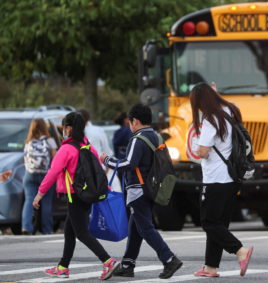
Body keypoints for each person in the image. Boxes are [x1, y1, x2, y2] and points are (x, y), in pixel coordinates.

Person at [32, 112, 119, 280]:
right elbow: (97, 169)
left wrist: (40, 194)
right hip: (86, 194)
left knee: (81, 232)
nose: (62, 130)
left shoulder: (66, 149)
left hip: (74, 195)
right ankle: (63, 267)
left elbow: (53, 172)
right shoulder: (87, 145)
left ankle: (108, 261)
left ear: (69, 128)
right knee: (70, 231)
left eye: (64, 127)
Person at [100, 104, 182, 279]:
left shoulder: (138, 138)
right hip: (152, 188)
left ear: (134, 121)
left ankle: (169, 259)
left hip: (138, 189)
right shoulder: (156, 137)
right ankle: (128, 264)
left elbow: (128, 164)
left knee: (145, 227)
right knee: (136, 227)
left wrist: (107, 160)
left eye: (130, 122)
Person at [189, 82, 253, 277]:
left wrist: (197, 145)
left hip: (215, 178)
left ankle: (240, 251)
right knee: (219, 224)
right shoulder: (230, 110)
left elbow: (203, 151)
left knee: (209, 223)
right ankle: (210, 267)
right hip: (232, 177)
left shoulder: (211, 120)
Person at [22, 118, 57, 235]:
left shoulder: (28, 141)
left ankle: (26, 227)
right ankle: (47, 230)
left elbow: (25, 159)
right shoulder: (50, 141)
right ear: (44, 127)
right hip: (45, 175)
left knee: (29, 201)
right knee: (46, 203)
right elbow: (56, 158)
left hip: (29, 175)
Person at [112, 112, 132, 189]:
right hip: (130, 164)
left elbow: (115, 151)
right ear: (125, 120)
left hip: (120, 163)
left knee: (123, 188)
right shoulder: (129, 130)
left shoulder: (117, 133)